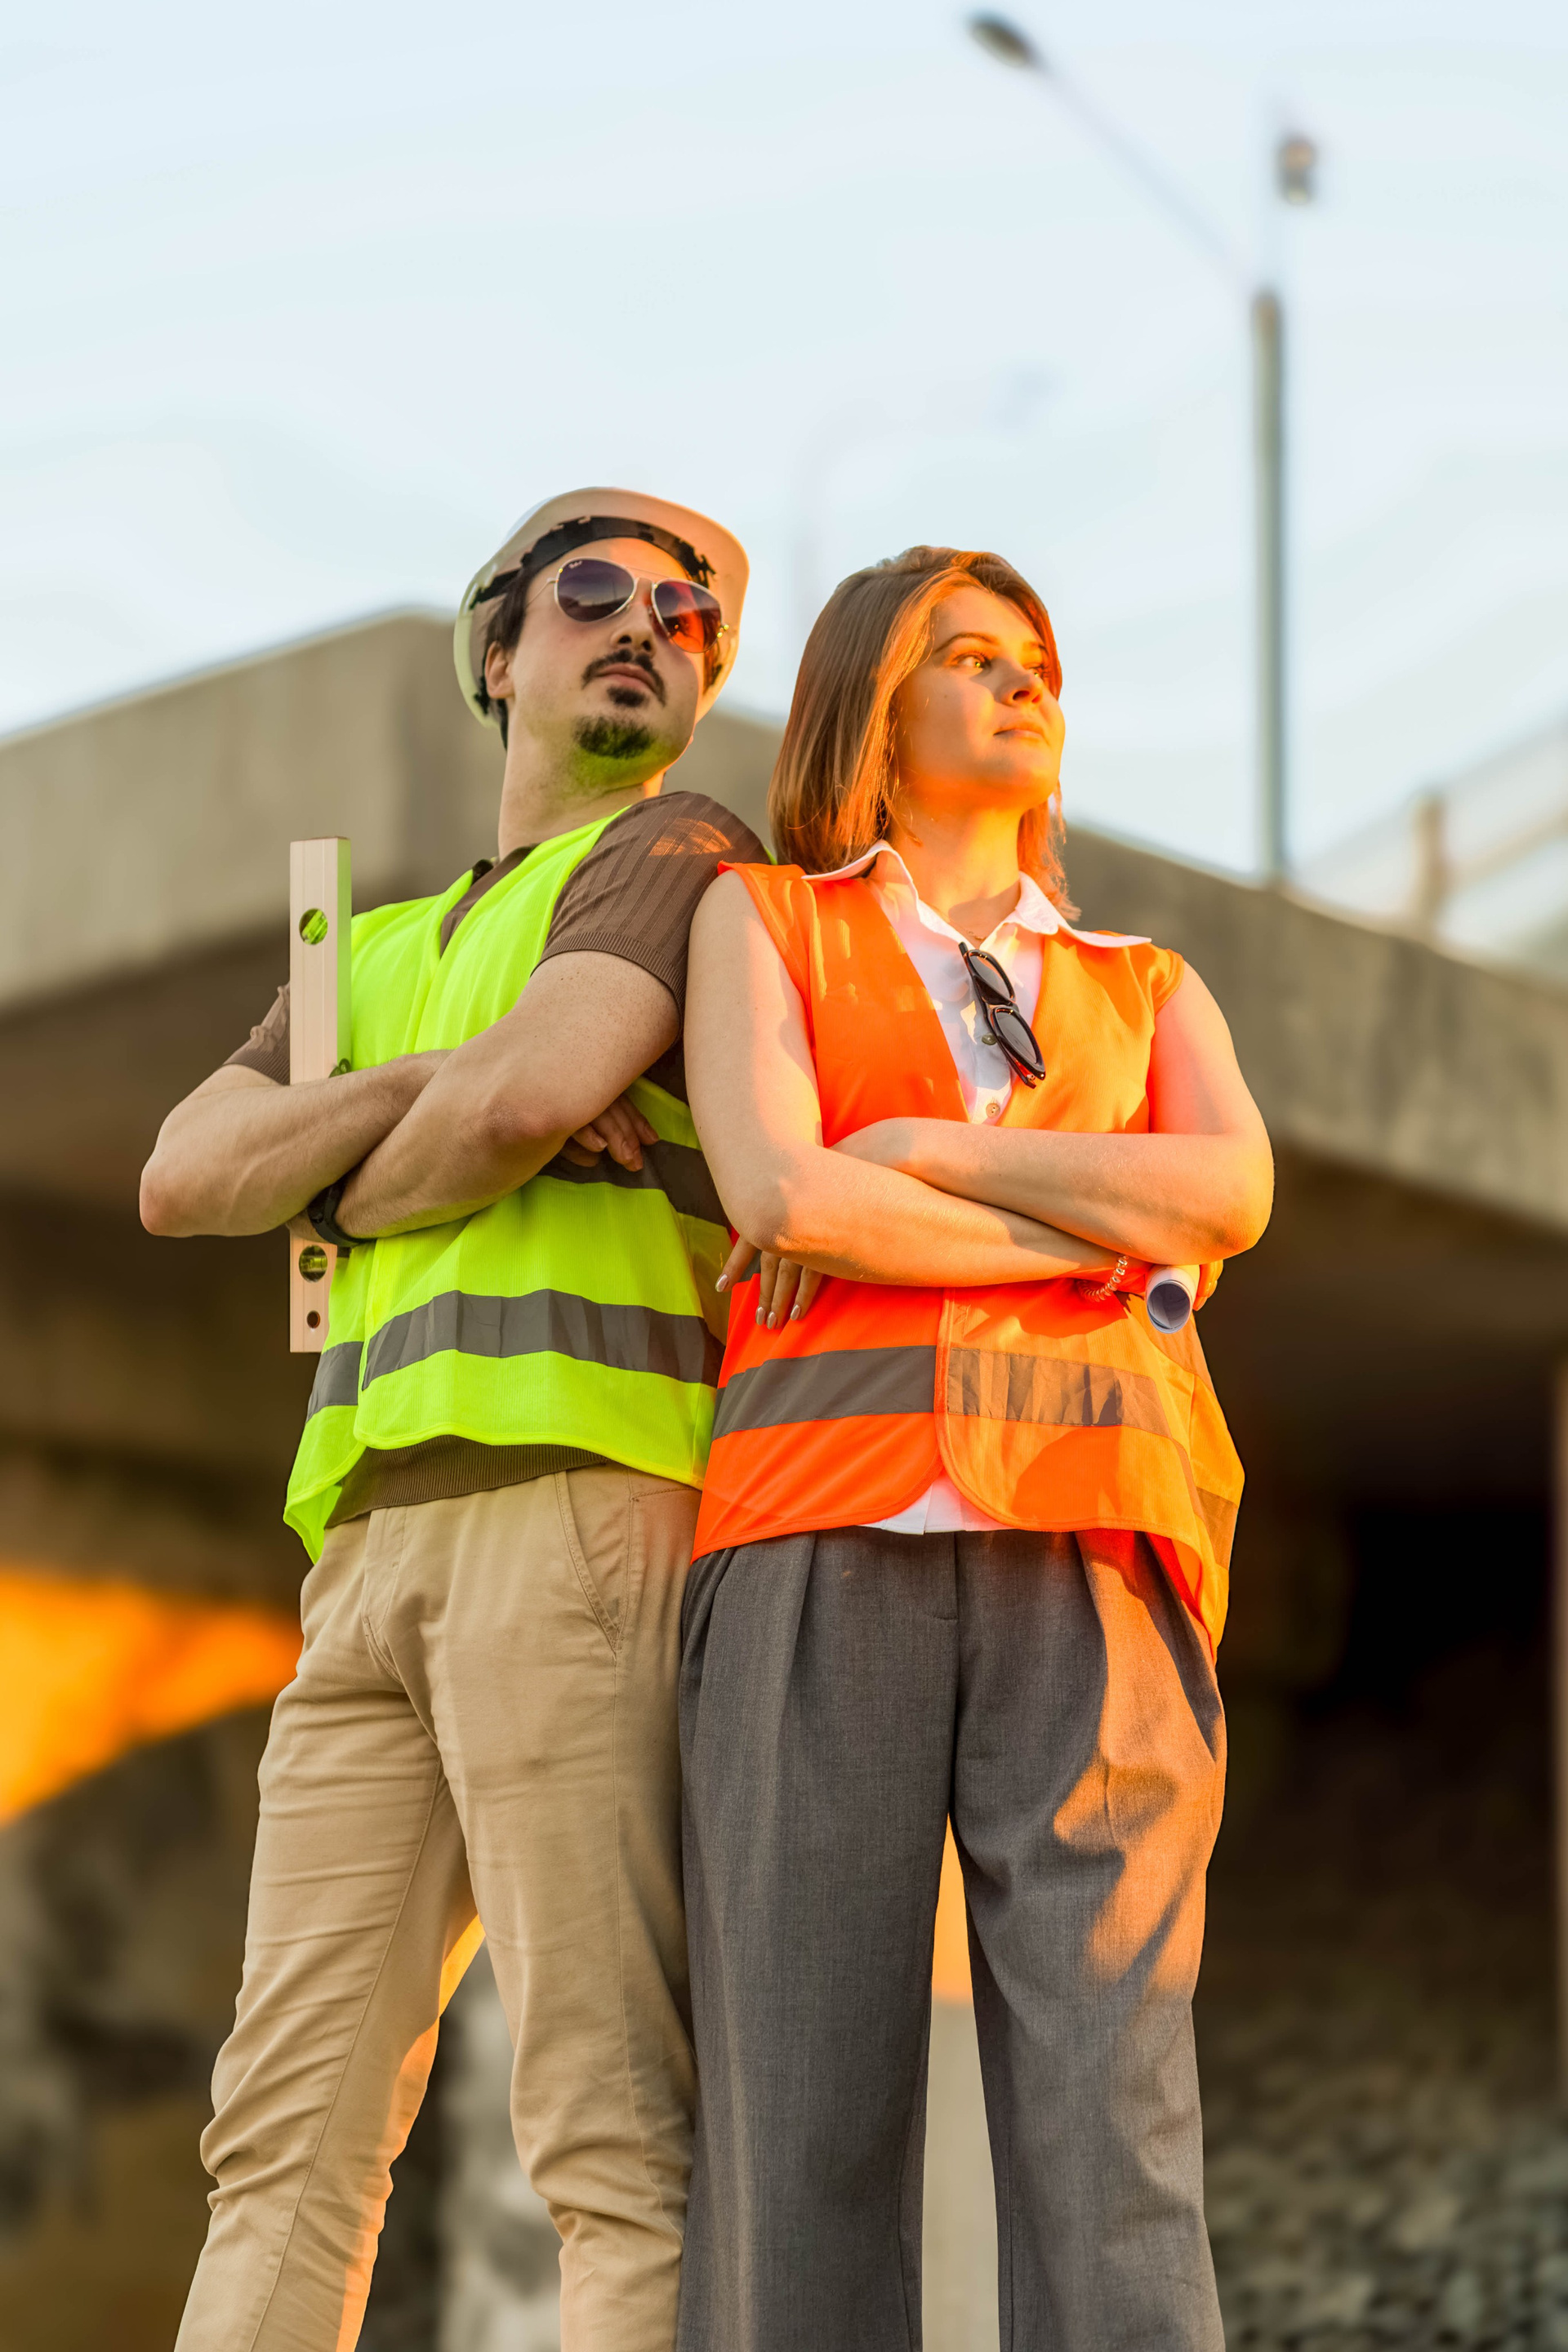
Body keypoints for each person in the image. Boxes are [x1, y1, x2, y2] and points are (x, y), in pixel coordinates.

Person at [140, 488, 765, 2352]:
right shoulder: (368, 954)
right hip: (360, 1562)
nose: (648, 627)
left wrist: (330, 1167)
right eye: (597, 593)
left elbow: (522, 1105)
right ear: (500, 651)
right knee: (279, 2146)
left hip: (580, 1517)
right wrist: (425, 1086)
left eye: (690, 617)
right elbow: (182, 1180)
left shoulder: (682, 859)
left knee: (610, 2133)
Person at [677, 544, 1272, 2352]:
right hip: (811, 1544)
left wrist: (929, 1155)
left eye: (1037, 659)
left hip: (1099, 1556)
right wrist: (1100, 1243)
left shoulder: (1147, 983)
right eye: (968, 654)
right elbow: (787, 1198)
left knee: (1116, 2127)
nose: (1023, 682)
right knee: (799, 2124)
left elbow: (1229, 1194)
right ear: (874, 702)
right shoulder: (764, 924)